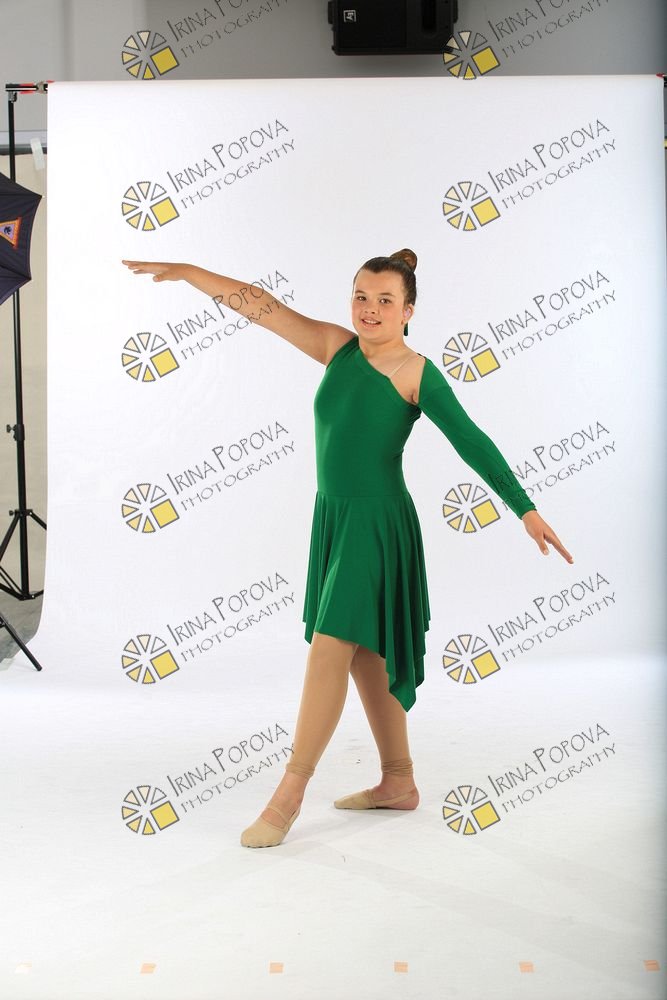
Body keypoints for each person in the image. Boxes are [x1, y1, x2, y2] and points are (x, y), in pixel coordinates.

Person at [122, 250, 573, 849]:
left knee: (331, 645)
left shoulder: (415, 373)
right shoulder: (337, 348)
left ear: (408, 311)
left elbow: (471, 439)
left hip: (376, 524)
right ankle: (398, 781)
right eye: (361, 297)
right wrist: (189, 274)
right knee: (368, 656)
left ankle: (287, 796)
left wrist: (524, 508)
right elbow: (261, 307)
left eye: (385, 300)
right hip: (333, 518)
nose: (370, 309)